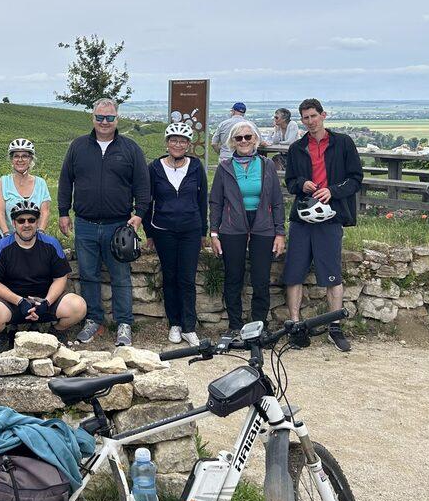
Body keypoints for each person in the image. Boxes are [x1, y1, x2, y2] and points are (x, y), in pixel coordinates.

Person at [58, 97, 150, 347]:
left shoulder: (130, 149)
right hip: (85, 224)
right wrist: (63, 212)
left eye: (110, 117)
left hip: (119, 225)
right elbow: (66, 180)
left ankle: (124, 324)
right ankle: (93, 321)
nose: (105, 122)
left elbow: (143, 185)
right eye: (100, 117)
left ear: (117, 119)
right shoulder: (78, 147)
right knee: (88, 275)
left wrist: (139, 214)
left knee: (121, 277)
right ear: (93, 118)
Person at [284, 98, 363, 352]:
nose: (310, 122)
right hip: (302, 217)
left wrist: (333, 191)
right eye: (305, 118)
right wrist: (302, 184)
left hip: (331, 216)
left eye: (313, 116)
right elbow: (291, 182)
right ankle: (295, 326)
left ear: (323, 115)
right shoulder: (296, 148)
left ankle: (335, 327)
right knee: (294, 271)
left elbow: (356, 179)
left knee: (332, 273)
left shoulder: (343, 143)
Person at [209, 121, 286, 337]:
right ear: (232, 142)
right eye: (239, 138)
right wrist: (214, 232)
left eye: (248, 137)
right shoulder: (224, 167)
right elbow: (215, 202)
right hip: (232, 226)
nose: (244, 141)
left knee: (261, 278)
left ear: (256, 140)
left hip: (262, 224)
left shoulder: (266, 165)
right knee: (234, 276)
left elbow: (277, 201)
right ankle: (235, 324)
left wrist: (280, 232)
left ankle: (258, 325)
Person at [0, 201, 86, 352]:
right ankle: (1, 336)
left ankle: (56, 332)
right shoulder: (2, 246)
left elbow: (60, 278)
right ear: (13, 223)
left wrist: (47, 302)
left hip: (44, 302)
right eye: (21, 220)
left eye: (31, 220)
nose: (26, 224)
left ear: (37, 222)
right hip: (13, 303)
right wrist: (20, 302)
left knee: (79, 306)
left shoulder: (51, 244)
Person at [142, 122, 208, 347]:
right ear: (167, 143)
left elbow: (202, 200)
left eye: (182, 141)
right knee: (170, 277)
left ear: (188, 144)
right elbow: (147, 201)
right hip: (163, 229)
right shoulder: (155, 168)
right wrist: (148, 233)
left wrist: (203, 231)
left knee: (187, 278)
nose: (178, 144)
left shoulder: (197, 166)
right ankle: (175, 324)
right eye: (173, 140)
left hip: (190, 229)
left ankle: (189, 327)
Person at [0, 138, 51, 236]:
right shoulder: (3, 182)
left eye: (24, 156)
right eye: (16, 156)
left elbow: (45, 212)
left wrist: (40, 232)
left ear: (31, 159)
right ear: (12, 160)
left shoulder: (41, 183)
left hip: (34, 237)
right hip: (9, 236)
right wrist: (6, 235)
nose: (20, 160)